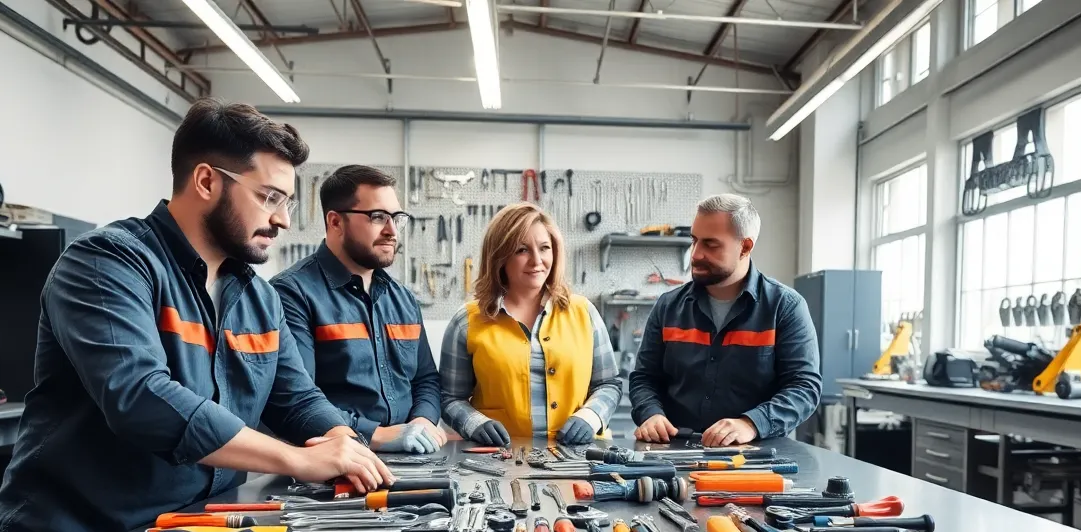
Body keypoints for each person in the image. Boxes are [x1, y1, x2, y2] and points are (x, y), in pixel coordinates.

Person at [0, 99, 394, 532]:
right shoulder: (106, 263)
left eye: (287, 202)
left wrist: (344, 443)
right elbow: (141, 397)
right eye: (269, 197)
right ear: (206, 181)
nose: (283, 219)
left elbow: (296, 398)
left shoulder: (259, 299)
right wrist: (298, 461)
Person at [273, 165, 445, 454]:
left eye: (396, 218)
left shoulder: (403, 298)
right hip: (333, 460)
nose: (392, 231)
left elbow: (425, 379)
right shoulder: (291, 294)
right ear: (335, 222)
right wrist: (377, 435)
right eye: (377, 217)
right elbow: (297, 398)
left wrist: (423, 421)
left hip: (412, 458)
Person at [630, 193, 821, 446]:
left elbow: (804, 388)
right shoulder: (668, 306)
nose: (695, 254)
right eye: (694, 241)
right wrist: (651, 413)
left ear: (745, 247)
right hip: (675, 452)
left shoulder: (785, 307)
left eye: (711, 245)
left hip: (755, 455)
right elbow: (644, 378)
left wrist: (752, 423)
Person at [440, 203, 622, 445]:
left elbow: (608, 384)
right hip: (499, 459)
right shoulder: (466, 321)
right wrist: (475, 423)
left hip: (579, 457)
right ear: (500, 256)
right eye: (522, 250)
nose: (537, 261)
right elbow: (449, 398)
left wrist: (590, 417)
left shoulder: (584, 312)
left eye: (545, 248)